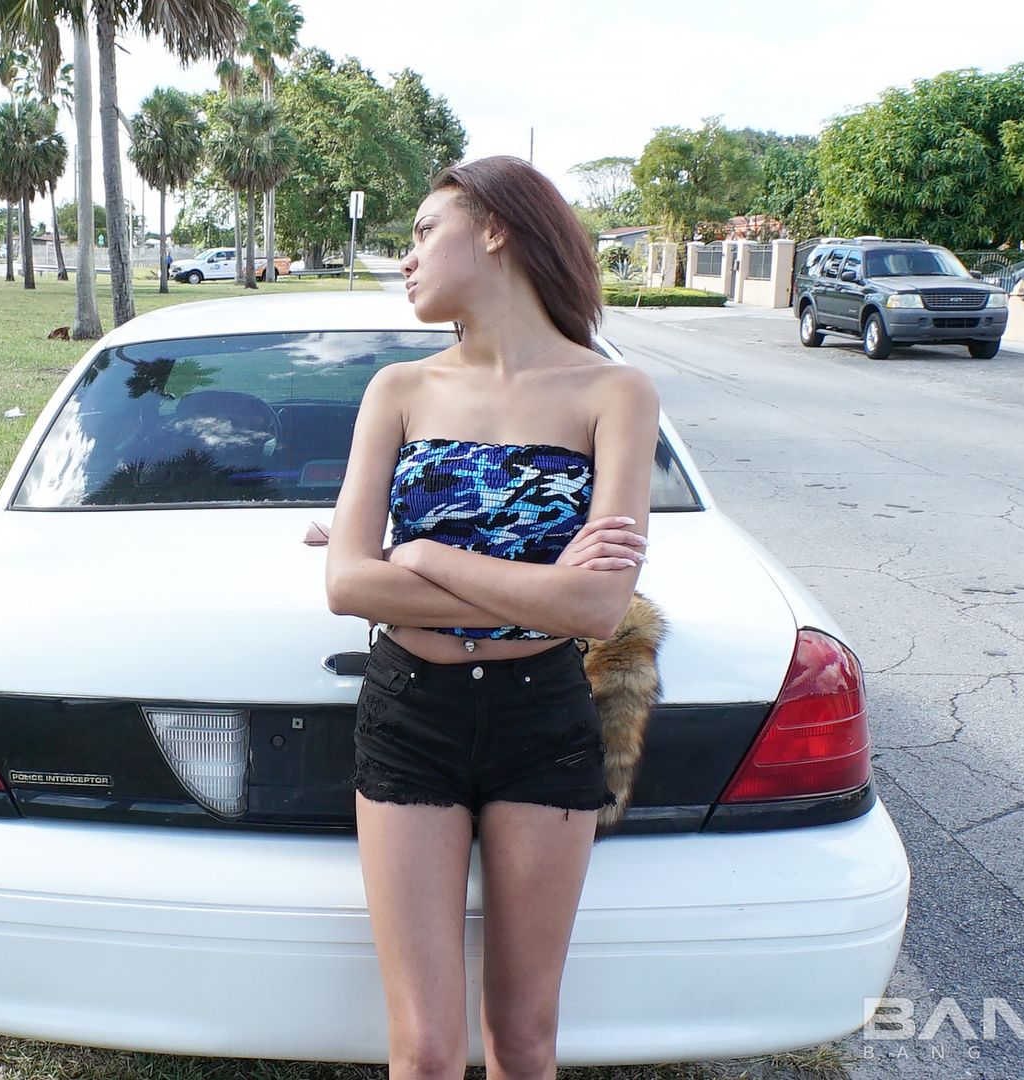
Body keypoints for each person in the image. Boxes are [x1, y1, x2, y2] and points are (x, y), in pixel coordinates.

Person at [323, 155, 659, 1078]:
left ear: (496, 229)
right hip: (409, 713)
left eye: (425, 232)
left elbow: (595, 606)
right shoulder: (399, 390)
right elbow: (348, 585)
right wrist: (529, 584)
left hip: (542, 717)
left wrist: (423, 554)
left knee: (522, 1038)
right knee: (424, 1048)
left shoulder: (612, 393)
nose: (407, 256)